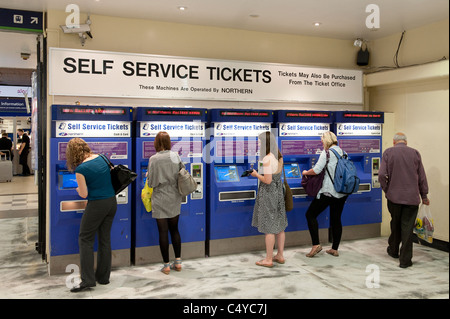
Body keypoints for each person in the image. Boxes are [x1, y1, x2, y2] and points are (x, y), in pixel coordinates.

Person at [65, 138, 118, 292]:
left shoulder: (81, 169)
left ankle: (87, 280)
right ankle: (103, 277)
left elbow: (83, 194)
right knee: (104, 239)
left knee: (85, 238)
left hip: (97, 204)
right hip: (111, 202)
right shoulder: (102, 157)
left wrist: (77, 190)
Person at [379, 132, 430, 268]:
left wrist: (387, 189)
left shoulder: (388, 152)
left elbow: (382, 175)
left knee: (395, 223)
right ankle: (405, 260)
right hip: (411, 199)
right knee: (407, 228)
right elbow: (422, 177)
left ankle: (393, 250)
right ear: (406, 142)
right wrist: (424, 195)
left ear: (394, 142)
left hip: (393, 198)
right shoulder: (415, 153)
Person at [302, 131, 348, 258]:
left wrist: (306, 171)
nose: (321, 143)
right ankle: (335, 249)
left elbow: (317, 170)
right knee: (336, 218)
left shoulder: (326, 153)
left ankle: (316, 245)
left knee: (310, 214)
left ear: (327, 141)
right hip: (342, 192)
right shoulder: (344, 153)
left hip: (328, 192)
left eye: (322, 140)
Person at [146, 131, 183, 274]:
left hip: (160, 198)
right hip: (174, 197)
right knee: (175, 229)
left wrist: (148, 176)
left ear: (156, 143)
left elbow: (152, 183)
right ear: (169, 143)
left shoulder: (153, 159)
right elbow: (182, 173)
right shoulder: (175, 156)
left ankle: (166, 265)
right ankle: (178, 262)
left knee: (163, 232)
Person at [251, 131, 287, 267]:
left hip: (269, 194)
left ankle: (268, 259)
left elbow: (267, 180)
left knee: (269, 227)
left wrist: (255, 174)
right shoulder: (277, 156)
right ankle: (280, 255)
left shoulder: (266, 159)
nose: (258, 144)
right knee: (280, 225)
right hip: (278, 193)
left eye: (259, 142)